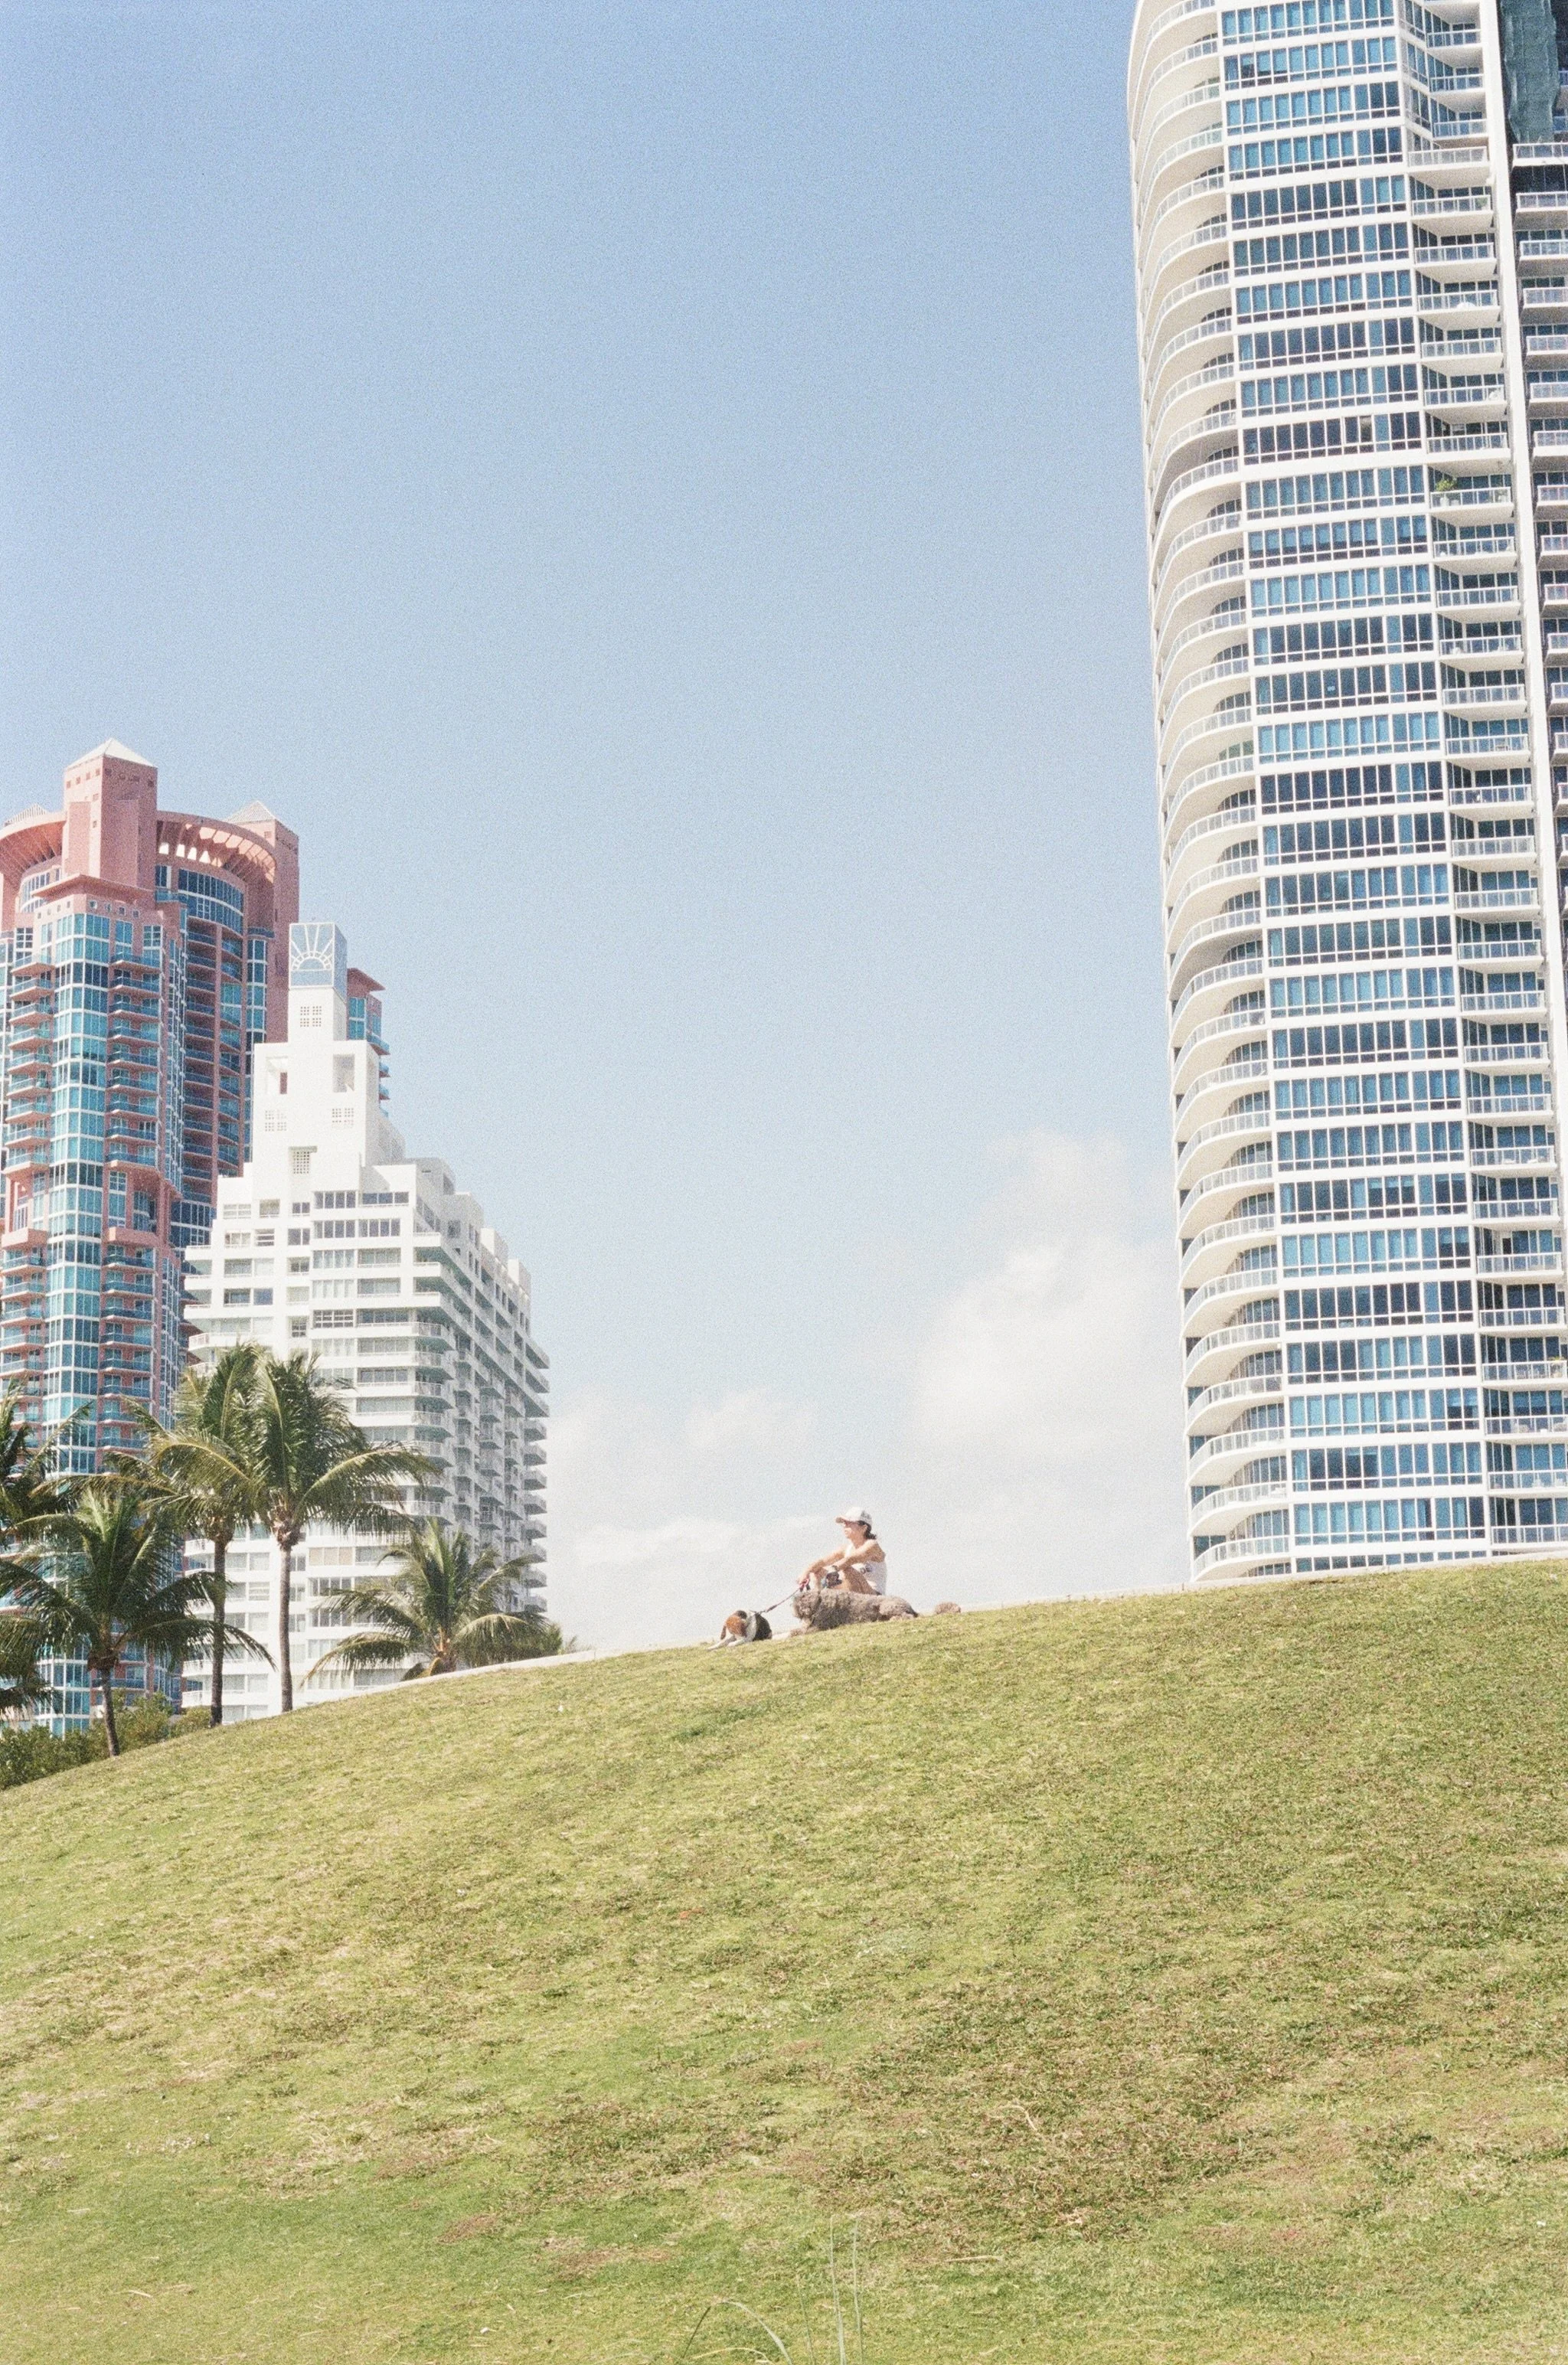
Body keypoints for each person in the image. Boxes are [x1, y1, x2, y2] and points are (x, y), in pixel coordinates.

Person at [800, 1508, 887, 1598]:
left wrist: (834, 1568)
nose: (845, 1526)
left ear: (864, 1528)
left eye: (849, 1523)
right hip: (852, 1592)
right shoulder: (846, 1549)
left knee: (847, 1570)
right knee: (817, 1572)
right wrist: (806, 1573)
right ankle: (819, 1603)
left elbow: (852, 1559)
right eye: (844, 1523)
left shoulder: (872, 1545)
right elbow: (823, 1561)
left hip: (873, 1595)